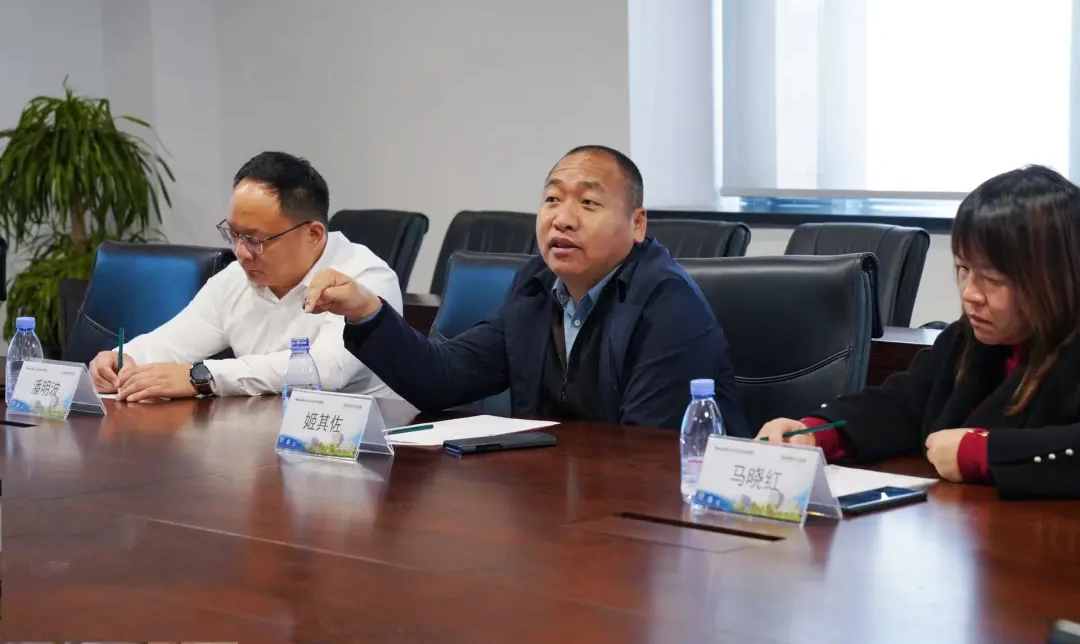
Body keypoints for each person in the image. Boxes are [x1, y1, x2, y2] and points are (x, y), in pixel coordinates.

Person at [304, 145, 747, 434]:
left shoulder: (667, 303)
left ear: (637, 224)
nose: (562, 219)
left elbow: (647, 451)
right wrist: (367, 311)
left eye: (588, 203)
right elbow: (443, 378)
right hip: (553, 505)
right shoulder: (537, 287)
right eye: (552, 199)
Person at [758, 165, 1080, 499]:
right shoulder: (967, 339)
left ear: (1053, 279)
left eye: (993, 279)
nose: (970, 293)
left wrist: (984, 452)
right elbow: (902, 404)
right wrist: (817, 433)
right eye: (964, 269)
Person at [88, 151, 402, 401]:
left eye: (254, 239)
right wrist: (123, 359)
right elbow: (172, 343)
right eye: (233, 234)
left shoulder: (364, 278)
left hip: (356, 446)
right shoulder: (235, 279)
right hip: (262, 436)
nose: (240, 252)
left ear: (314, 234)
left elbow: (325, 370)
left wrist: (203, 377)